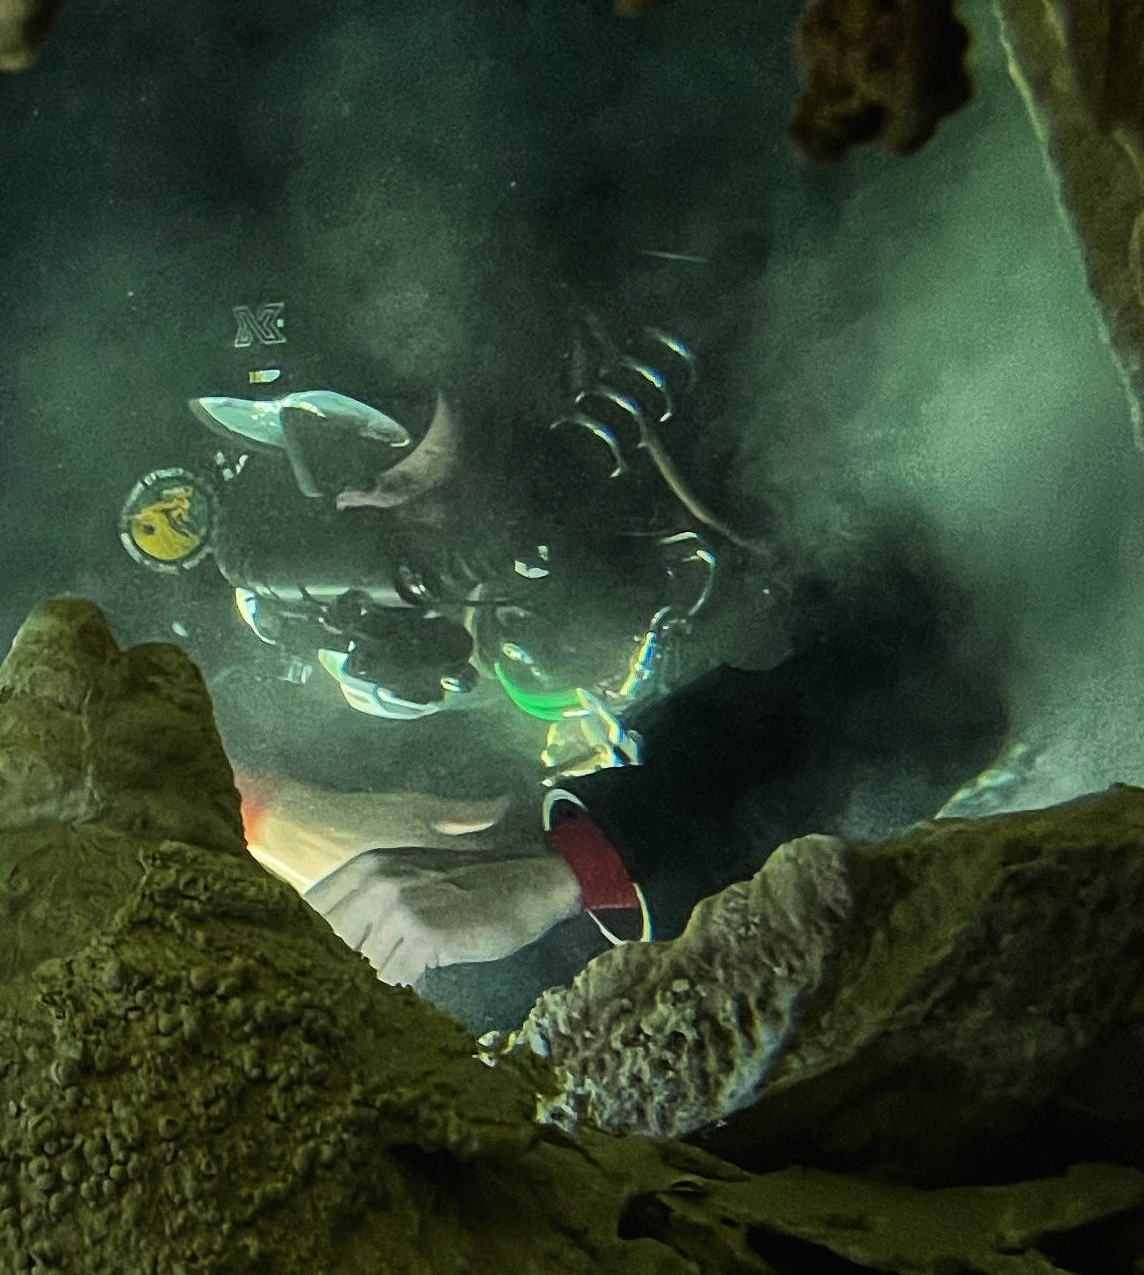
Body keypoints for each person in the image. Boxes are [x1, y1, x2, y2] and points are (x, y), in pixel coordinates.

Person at [116, 280, 1005, 1015]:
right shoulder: (307, 558)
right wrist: (268, 807)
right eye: (277, 431)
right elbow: (95, 722)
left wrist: (573, 866)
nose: (340, 484)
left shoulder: (716, 445)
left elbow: (939, 666)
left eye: (372, 416)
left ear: (477, 358)